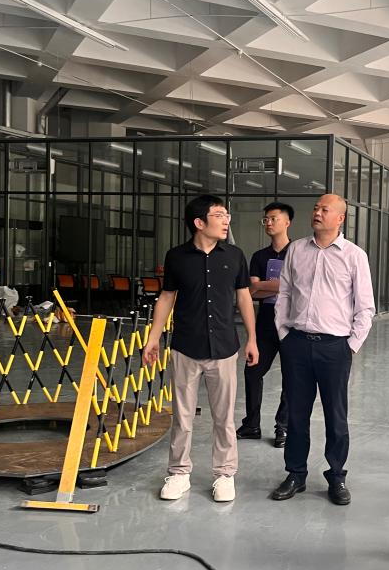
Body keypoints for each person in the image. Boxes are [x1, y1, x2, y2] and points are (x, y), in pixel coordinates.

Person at [142, 195, 259, 504]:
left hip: (224, 347)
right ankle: (179, 473)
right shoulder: (176, 257)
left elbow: (244, 297)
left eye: (226, 215)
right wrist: (154, 337)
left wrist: (252, 338)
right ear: (199, 222)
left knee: (224, 417)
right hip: (185, 347)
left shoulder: (234, 255)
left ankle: (225, 474)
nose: (226, 220)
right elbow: (167, 297)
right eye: (219, 215)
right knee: (182, 417)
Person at [270, 194, 375, 506]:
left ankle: (337, 475)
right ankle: (296, 474)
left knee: (336, 416)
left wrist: (350, 346)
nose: (317, 212)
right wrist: (284, 334)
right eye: (316, 208)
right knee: (296, 414)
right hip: (297, 344)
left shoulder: (354, 256)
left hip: (334, 347)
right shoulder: (296, 250)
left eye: (324, 209)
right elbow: (285, 293)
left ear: (340, 218)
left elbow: (365, 307)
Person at [237, 202, 293, 448]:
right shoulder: (259, 256)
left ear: (287, 222)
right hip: (266, 324)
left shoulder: (298, 252)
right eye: (265, 220)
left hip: (292, 324)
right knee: (252, 371)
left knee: (292, 376)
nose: (268, 223)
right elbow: (251, 291)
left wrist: (262, 285)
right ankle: (251, 424)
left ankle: (283, 427)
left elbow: (295, 286)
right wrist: (280, 286)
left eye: (273, 219)